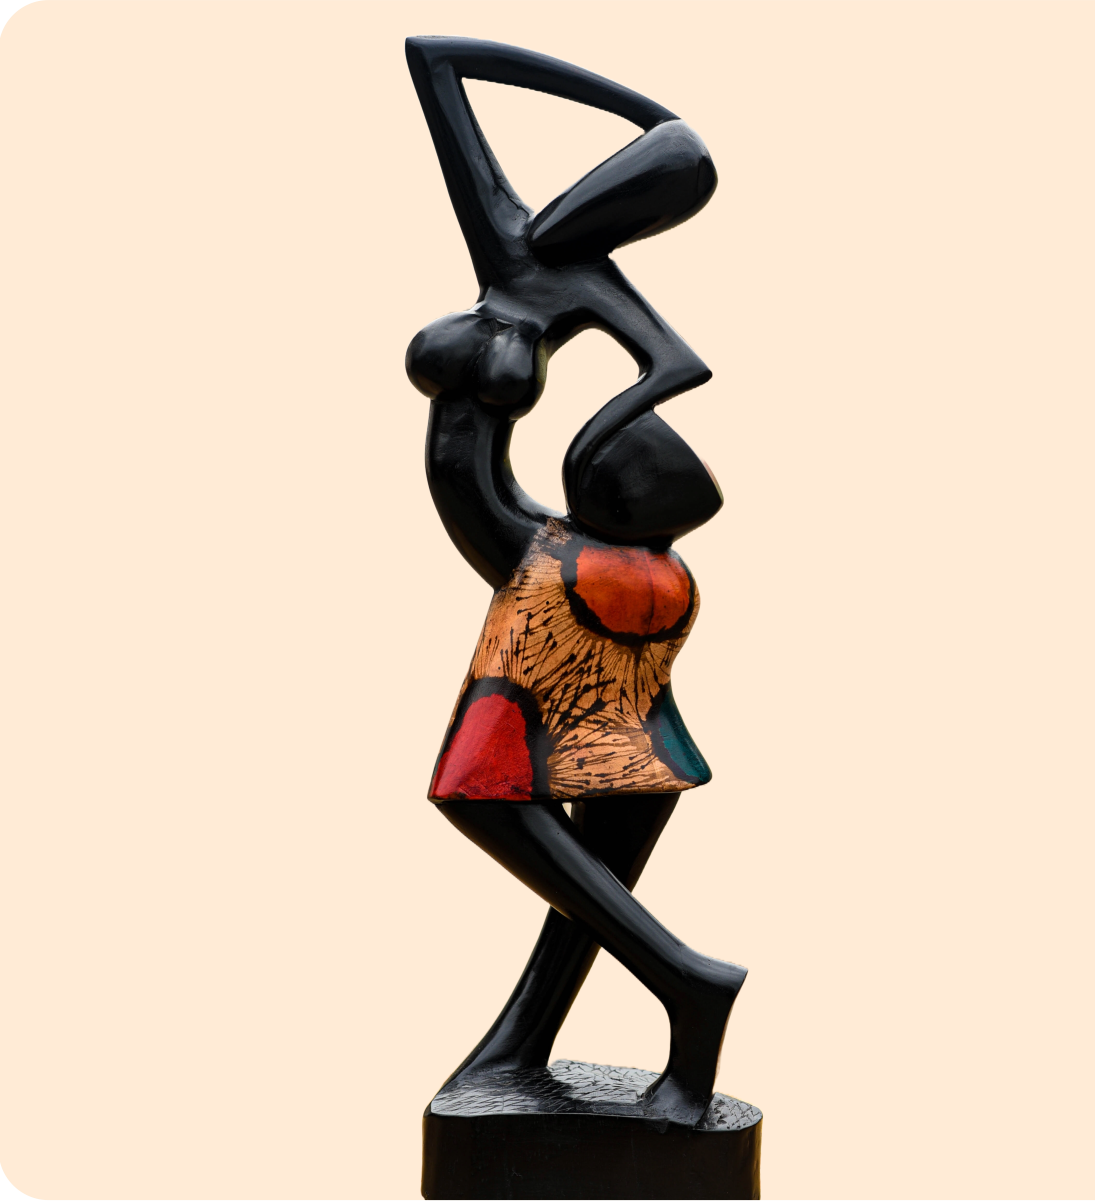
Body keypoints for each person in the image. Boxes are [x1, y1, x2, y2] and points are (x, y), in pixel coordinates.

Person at [405, 35, 745, 1126]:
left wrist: (596, 443)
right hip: (596, 598)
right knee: (586, 882)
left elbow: (675, 368)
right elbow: (436, 61)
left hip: (566, 585)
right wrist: (620, 102)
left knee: (489, 801)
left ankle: (687, 980)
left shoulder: (583, 283)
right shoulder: (511, 242)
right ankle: (520, 1048)